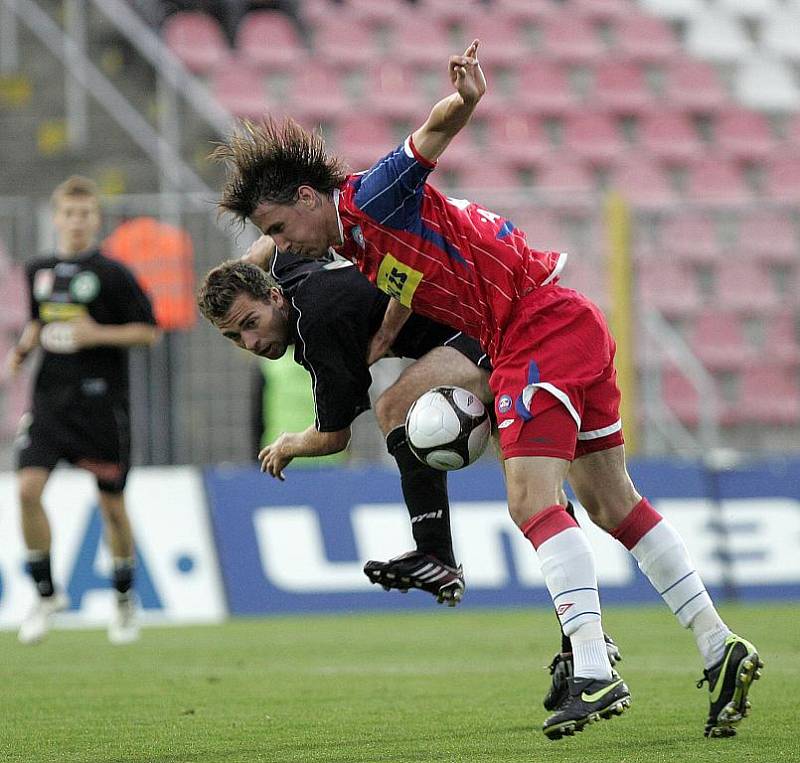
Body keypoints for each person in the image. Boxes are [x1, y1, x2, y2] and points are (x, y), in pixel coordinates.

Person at [209, 41, 764, 740]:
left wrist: (466, 99)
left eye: (281, 228)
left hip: (535, 331)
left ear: (306, 197)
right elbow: (405, 264)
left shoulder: (370, 196)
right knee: (610, 503)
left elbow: (428, 138)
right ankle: (719, 646)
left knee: (531, 502)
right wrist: (359, 317)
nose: (284, 244)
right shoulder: (348, 237)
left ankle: (592, 665)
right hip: (559, 321)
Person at [197, 239, 622, 711]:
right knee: (538, 499)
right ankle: (583, 644)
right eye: (235, 338)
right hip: (487, 322)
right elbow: (271, 242)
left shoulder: (315, 321)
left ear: (273, 298)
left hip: (487, 328)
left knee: (395, 406)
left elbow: (334, 436)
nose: (251, 343)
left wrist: (288, 444)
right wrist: (236, 271)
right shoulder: (287, 275)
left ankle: (437, 555)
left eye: (251, 325)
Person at [6, 176, 159, 645]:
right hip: (50, 402)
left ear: (95, 219)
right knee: (28, 490)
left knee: (111, 505)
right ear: (57, 218)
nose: (76, 222)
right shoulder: (39, 270)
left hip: (101, 406)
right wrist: (21, 352)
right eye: (69, 214)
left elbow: (148, 332)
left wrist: (98, 335)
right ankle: (48, 594)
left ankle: (124, 599)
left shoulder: (113, 274)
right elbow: (39, 321)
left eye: (85, 214)